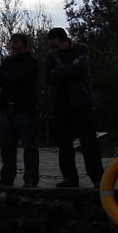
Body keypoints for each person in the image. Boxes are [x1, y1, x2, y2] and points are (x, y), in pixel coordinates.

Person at [44, 27, 104, 188]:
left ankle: (97, 177)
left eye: (56, 46)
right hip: (60, 104)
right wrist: (68, 69)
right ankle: (70, 178)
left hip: (80, 102)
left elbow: (80, 70)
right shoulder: (50, 55)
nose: (54, 49)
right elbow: (48, 76)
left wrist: (59, 70)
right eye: (52, 46)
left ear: (65, 41)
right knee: (64, 144)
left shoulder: (81, 48)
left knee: (88, 142)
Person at [0, 33, 41, 187]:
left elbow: (25, 78)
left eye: (18, 48)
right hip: (7, 108)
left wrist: (10, 78)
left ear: (26, 47)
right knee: (7, 146)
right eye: (13, 48)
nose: (15, 51)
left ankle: (31, 179)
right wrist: (15, 78)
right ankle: (7, 177)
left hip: (24, 108)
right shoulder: (8, 61)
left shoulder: (32, 62)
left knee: (29, 146)